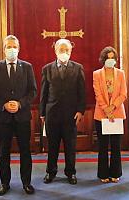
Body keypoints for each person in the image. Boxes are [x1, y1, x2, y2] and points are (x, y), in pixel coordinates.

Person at [0, 35, 37, 195]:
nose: (12, 50)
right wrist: (4, 105)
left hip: (22, 116)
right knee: (3, 152)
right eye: (9, 47)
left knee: (25, 151)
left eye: (14, 47)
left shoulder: (27, 67)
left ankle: (26, 183)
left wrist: (20, 103)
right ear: (3, 49)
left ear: (19, 49)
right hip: (3, 117)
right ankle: (4, 183)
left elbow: (32, 91)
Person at [40, 38, 86, 185]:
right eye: (61, 50)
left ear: (71, 51)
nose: (64, 52)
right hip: (52, 114)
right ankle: (51, 172)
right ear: (55, 51)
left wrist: (80, 111)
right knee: (52, 146)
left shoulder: (78, 68)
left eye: (67, 50)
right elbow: (44, 93)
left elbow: (82, 92)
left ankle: (70, 172)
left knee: (70, 146)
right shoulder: (47, 69)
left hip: (71, 115)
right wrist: (42, 113)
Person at [93, 46, 127, 183]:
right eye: (108, 58)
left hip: (117, 114)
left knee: (115, 146)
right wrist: (106, 109)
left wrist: (112, 107)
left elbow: (123, 93)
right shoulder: (96, 74)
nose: (110, 60)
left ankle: (115, 173)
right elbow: (98, 94)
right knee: (102, 146)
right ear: (103, 59)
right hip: (101, 114)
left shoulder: (121, 73)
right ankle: (103, 174)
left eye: (113, 58)